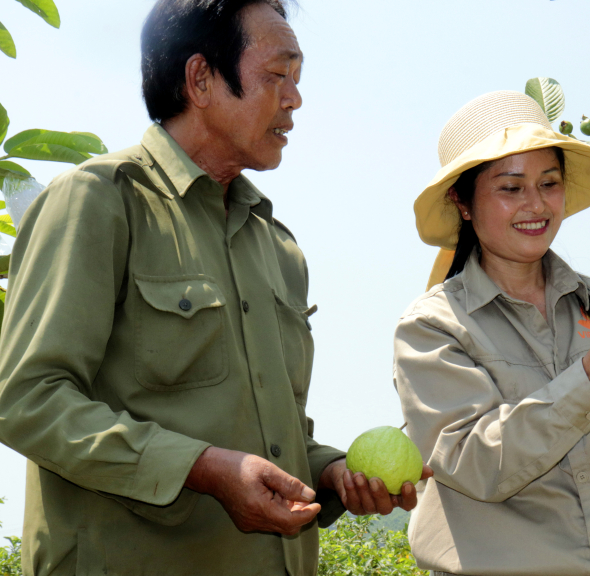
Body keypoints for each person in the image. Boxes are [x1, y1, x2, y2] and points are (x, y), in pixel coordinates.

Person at [0, 1, 429, 574]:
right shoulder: (99, 201)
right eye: (278, 75)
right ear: (201, 79)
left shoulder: (276, 246)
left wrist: (332, 474)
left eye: (297, 80)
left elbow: (276, 434)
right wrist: (202, 467)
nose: (295, 99)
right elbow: (25, 398)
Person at [393, 91, 590, 576]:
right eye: (510, 187)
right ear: (462, 201)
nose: (536, 204)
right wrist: (588, 379)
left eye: (549, 183)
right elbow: (473, 463)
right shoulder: (433, 327)